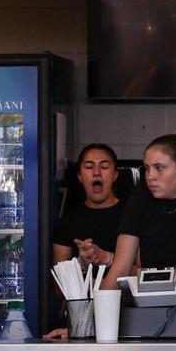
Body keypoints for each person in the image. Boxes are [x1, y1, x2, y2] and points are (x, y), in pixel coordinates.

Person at [100, 134, 176, 291]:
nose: (150, 176)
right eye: (147, 168)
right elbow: (121, 267)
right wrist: (97, 310)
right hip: (150, 300)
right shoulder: (140, 200)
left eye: (159, 168)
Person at [43, 143, 127, 340]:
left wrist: (106, 258)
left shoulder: (131, 216)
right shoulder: (67, 222)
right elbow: (58, 290)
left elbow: (143, 273)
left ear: (115, 175)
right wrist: (79, 265)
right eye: (89, 167)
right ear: (80, 176)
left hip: (125, 321)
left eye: (104, 167)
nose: (96, 173)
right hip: (77, 325)